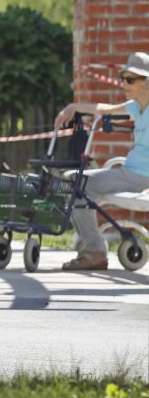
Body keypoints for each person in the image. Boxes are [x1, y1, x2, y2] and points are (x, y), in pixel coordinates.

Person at [54, 51, 149, 271]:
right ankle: (93, 248)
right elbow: (104, 109)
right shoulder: (137, 106)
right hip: (129, 172)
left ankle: (95, 251)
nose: (124, 83)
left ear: (146, 82)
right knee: (75, 181)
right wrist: (74, 107)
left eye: (130, 79)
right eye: (123, 78)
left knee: (78, 183)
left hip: (140, 178)